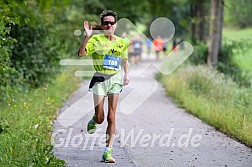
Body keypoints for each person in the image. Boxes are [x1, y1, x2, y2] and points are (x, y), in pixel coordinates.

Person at [78, 9, 129, 163]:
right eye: (105, 23)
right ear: (102, 25)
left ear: (115, 25)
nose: (108, 25)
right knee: (100, 118)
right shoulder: (96, 40)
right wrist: (87, 37)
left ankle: (108, 151)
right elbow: (81, 53)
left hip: (115, 80)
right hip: (100, 79)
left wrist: (127, 74)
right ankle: (94, 119)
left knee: (111, 116)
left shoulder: (121, 42)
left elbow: (124, 59)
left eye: (111, 23)